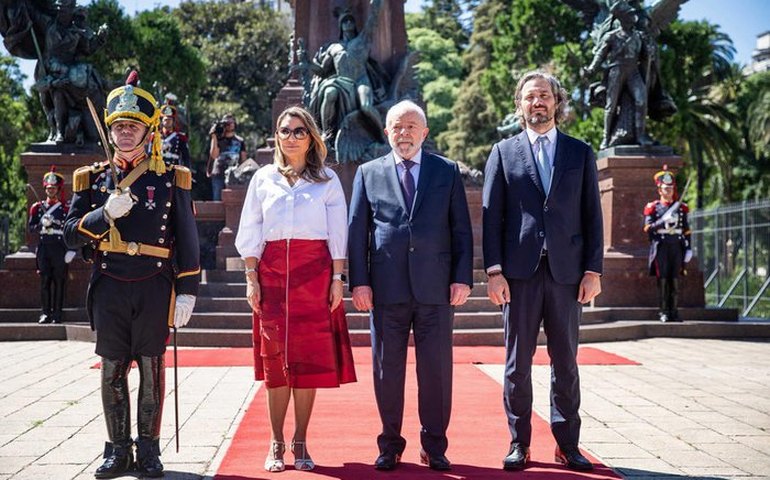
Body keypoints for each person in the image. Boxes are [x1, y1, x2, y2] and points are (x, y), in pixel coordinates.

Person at [63, 71, 200, 479]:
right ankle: (117, 450)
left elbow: (187, 238)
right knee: (111, 369)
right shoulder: (91, 179)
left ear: (149, 132)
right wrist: (103, 214)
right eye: (119, 127)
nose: (125, 133)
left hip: (155, 282)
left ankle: (150, 451)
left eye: (133, 127)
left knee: (151, 367)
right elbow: (71, 234)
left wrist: (188, 288)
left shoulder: (170, 177)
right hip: (109, 283)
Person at [482, 71, 603, 472]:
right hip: (518, 275)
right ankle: (520, 442)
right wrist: (494, 272)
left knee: (565, 362)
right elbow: (492, 216)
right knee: (517, 363)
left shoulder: (580, 152)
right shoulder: (503, 152)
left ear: (557, 102)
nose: (538, 102)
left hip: (569, 275)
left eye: (545, 96)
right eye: (530, 96)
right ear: (519, 104)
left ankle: (567, 444)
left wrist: (593, 270)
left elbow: (592, 214)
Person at [348, 100, 474, 472]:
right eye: (397, 128)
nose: (404, 134)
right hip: (386, 290)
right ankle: (390, 444)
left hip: (436, 289)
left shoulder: (446, 171)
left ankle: (434, 445)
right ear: (386, 132)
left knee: (435, 371)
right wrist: (359, 282)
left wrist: (462, 277)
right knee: (387, 371)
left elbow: (461, 229)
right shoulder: (368, 173)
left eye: (411, 127)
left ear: (425, 133)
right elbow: (358, 233)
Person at [235, 105, 356, 473]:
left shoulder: (327, 181)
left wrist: (338, 279)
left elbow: (338, 232)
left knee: (307, 360)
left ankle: (301, 440)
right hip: (271, 272)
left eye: (299, 131)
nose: (291, 137)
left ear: (311, 138)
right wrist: (250, 276)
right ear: (276, 136)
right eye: (285, 131)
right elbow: (251, 228)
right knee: (275, 362)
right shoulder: (263, 178)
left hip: (314, 272)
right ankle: (276, 441)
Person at [305, 0, 387, 138]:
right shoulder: (333, 48)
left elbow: (373, 18)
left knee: (366, 106)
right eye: (345, 21)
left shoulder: (363, 40)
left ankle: (383, 136)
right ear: (340, 26)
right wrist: (307, 63)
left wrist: (376, 3)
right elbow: (323, 71)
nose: (348, 23)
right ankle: (326, 133)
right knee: (330, 92)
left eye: (351, 21)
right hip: (341, 82)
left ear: (355, 24)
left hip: (361, 81)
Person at [584, 0, 653, 149]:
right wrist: (590, 69)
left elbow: (645, 57)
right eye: (630, 15)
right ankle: (606, 138)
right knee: (611, 105)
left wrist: (650, 52)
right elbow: (600, 56)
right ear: (622, 17)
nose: (633, 17)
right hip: (616, 71)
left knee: (641, 100)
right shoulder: (612, 36)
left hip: (633, 71)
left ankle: (640, 136)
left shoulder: (638, 36)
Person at [28, 166, 75, 324]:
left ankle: (57, 314)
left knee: (59, 281)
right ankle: (45, 313)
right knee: (45, 281)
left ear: (58, 189)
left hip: (59, 247)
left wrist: (71, 249)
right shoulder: (37, 207)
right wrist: (42, 223)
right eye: (48, 188)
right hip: (44, 248)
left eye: (54, 188)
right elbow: (31, 227)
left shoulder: (65, 208)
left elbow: (71, 228)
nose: (51, 191)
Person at [643, 166, 691, 322]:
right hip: (661, 246)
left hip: (676, 246)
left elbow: (686, 230)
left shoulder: (681, 208)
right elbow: (647, 228)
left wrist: (688, 248)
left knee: (674, 279)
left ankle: (674, 311)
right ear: (659, 190)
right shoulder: (653, 208)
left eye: (671, 188)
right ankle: (664, 312)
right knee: (663, 279)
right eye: (665, 188)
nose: (669, 191)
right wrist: (662, 222)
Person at [206, 113, 246, 200]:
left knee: (233, 199)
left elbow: (243, 160)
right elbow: (214, 155)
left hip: (233, 175)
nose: (230, 124)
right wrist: (214, 137)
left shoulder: (240, 141)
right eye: (227, 122)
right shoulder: (218, 139)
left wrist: (242, 174)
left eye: (232, 122)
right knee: (217, 199)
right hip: (218, 173)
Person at [151, 95, 191, 169]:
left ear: (173, 121)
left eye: (170, 120)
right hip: (156, 169)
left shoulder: (180, 137)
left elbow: (186, 157)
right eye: (166, 119)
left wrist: (187, 171)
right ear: (162, 121)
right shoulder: (154, 136)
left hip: (173, 169)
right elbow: (149, 154)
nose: (167, 122)